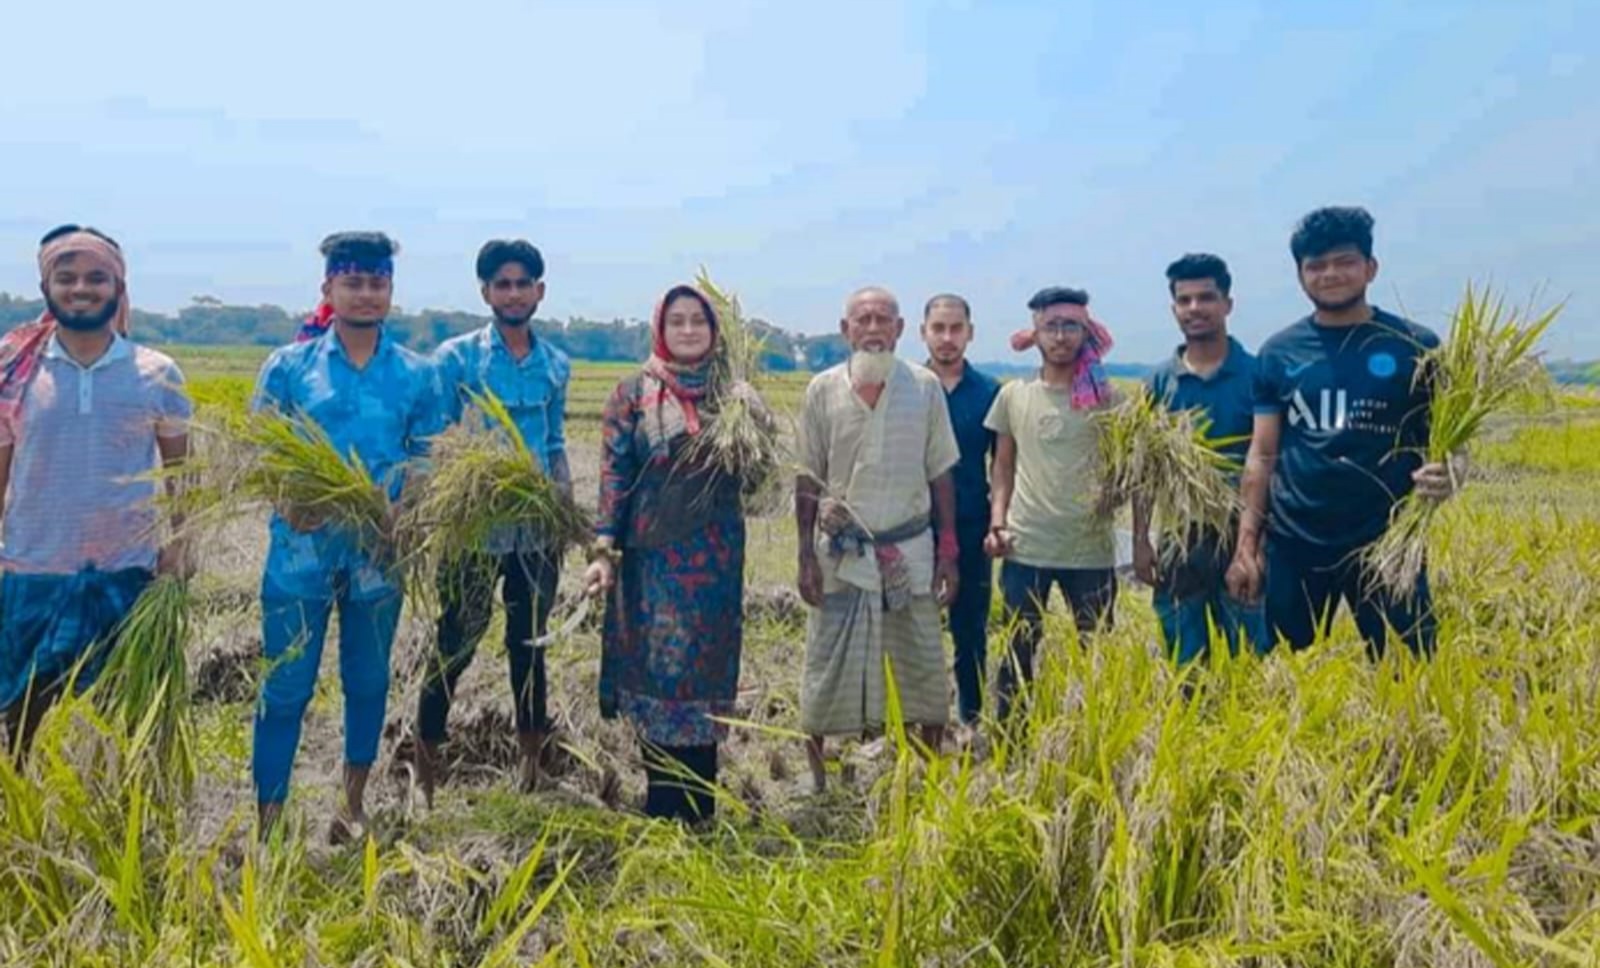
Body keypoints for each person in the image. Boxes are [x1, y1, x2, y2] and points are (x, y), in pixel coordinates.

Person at [250, 231, 446, 841]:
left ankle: (352, 807)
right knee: (284, 689)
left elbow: (430, 459)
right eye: (352, 282)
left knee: (367, 682)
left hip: (378, 560)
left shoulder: (418, 375)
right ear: (328, 289)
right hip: (299, 557)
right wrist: (291, 499)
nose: (365, 294)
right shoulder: (288, 368)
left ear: (390, 291)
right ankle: (269, 822)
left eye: (377, 283)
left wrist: (404, 514)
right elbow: (261, 453)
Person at [1227, 206, 1455, 658]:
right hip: (1296, 540)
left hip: (1387, 542)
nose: (1330, 274)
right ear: (1300, 275)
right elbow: (1263, 454)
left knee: (1409, 669)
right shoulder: (1278, 352)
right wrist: (1246, 544)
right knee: (1286, 670)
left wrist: (1452, 473)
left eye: (1345, 262)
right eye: (1316, 265)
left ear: (1371, 268)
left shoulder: (1416, 346)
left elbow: (1450, 441)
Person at [0, 225, 192, 755]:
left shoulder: (157, 373)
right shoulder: (13, 369)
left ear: (118, 286)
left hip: (126, 575)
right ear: (46, 287)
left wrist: (179, 545)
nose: (81, 288)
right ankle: (23, 825)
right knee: (20, 717)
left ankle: (113, 822)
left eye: (96, 277)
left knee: (123, 721)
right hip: (32, 570)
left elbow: (180, 475)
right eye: (66, 278)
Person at [584, 284, 762, 824]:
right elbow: (614, 476)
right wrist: (603, 552)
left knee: (702, 687)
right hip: (652, 569)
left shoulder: (731, 396)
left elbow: (755, 482)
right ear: (660, 329)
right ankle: (662, 808)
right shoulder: (632, 394)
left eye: (698, 322)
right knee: (657, 682)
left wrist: (757, 419)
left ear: (715, 331)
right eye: (677, 321)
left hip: (713, 567)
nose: (688, 330)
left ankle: (700, 811)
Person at [416, 240, 570, 805]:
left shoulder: (555, 364)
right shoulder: (456, 360)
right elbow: (438, 440)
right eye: (501, 284)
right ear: (485, 292)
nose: (512, 293)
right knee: (455, 641)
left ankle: (532, 763)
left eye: (522, 283)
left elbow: (554, 445)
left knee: (531, 644)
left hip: (535, 530)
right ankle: (424, 768)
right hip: (473, 530)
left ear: (539, 292)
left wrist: (564, 514)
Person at [796, 286, 960, 793]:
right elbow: (806, 478)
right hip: (840, 557)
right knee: (826, 667)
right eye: (862, 319)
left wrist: (948, 551)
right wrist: (804, 555)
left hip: (908, 552)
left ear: (900, 329)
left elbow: (941, 475)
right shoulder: (822, 390)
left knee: (923, 669)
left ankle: (927, 778)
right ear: (845, 330)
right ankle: (820, 779)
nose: (872, 328)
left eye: (882, 319)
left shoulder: (925, 387)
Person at [985, 287, 1119, 725]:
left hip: (1091, 549)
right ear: (1035, 333)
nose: (1061, 336)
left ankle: (1094, 739)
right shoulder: (1014, 397)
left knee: (1097, 654)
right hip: (1027, 546)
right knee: (1017, 652)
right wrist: (997, 523)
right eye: (1051, 326)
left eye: (1070, 326)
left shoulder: (1110, 401)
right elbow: (1003, 467)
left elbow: (1129, 473)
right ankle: (1011, 744)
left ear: (1086, 331)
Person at [1133, 254, 1268, 663]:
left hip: (1244, 537)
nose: (1195, 309)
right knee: (1185, 661)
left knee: (1249, 660)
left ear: (1228, 304)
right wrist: (1141, 540)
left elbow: (1269, 461)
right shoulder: (1158, 382)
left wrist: (1255, 548)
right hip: (1181, 540)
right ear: (1174, 309)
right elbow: (1142, 469)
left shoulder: (1259, 374)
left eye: (1206, 297)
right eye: (1184, 300)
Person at [919, 293, 999, 730]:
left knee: (970, 631)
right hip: (911, 530)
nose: (947, 338)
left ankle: (972, 722)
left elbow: (1003, 466)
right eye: (938, 329)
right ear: (923, 333)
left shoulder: (990, 392)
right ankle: (914, 723)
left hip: (972, 527)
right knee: (912, 633)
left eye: (956, 329)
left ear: (970, 333)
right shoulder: (906, 387)